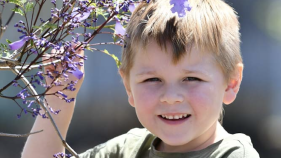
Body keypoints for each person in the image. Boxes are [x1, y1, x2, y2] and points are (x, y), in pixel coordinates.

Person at [22, 0, 260, 157]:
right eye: (152, 80)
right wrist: (58, 99)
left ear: (231, 83)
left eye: (191, 78)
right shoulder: (128, 149)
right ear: (128, 87)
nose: (171, 97)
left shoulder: (235, 154)